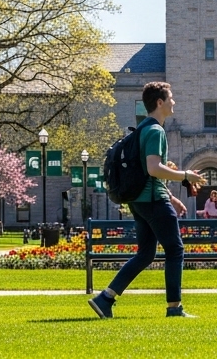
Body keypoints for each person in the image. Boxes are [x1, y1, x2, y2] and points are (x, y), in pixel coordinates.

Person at [88, 81, 206, 319]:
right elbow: (154, 169)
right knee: (175, 249)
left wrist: (171, 196)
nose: (174, 102)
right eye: (170, 98)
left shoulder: (143, 129)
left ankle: (105, 298)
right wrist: (185, 175)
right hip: (153, 201)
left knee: (145, 254)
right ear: (159, 102)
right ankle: (175, 308)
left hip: (140, 201)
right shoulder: (156, 131)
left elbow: (147, 171)